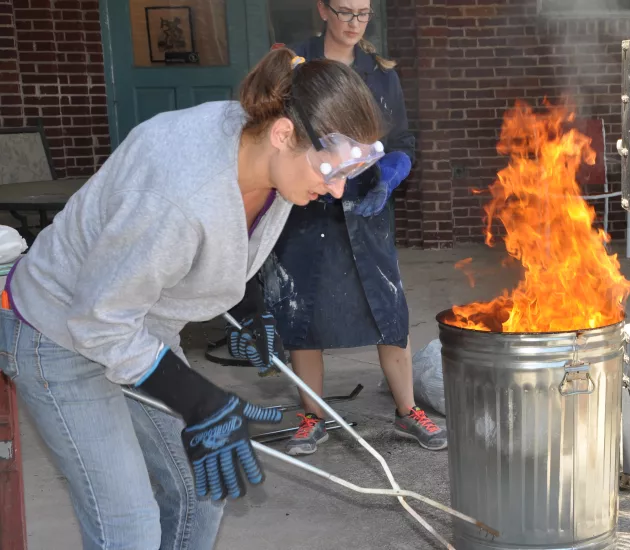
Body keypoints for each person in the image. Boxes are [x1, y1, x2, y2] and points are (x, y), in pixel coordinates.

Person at [0, 47, 384, 550]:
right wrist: (201, 401)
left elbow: (219, 244)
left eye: (345, 175)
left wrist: (250, 310)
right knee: (129, 529)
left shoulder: (270, 149)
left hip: (138, 322)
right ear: (285, 135)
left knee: (199, 491)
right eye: (330, 171)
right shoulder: (180, 195)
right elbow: (98, 322)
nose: (336, 190)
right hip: (58, 330)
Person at [261, 0, 447, 456]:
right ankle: (312, 416)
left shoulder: (381, 73)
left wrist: (389, 175)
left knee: (387, 305)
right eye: (344, 12)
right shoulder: (293, 64)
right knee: (301, 306)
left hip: (365, 203)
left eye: (363, 14)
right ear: (322, 10)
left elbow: (401, 139)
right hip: (306, 203)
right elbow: (269, 127)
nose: (354, 23)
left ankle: (407, 413)